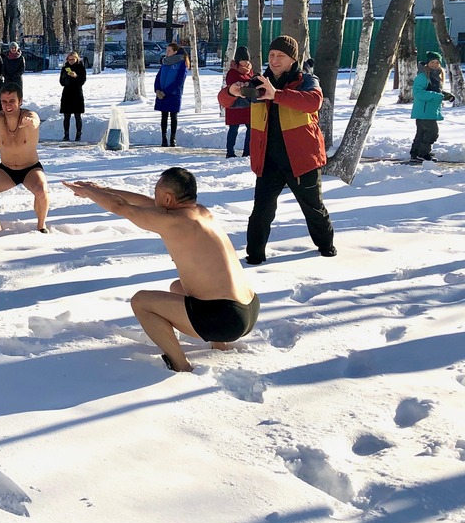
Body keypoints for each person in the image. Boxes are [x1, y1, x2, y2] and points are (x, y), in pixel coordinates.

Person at [66, 167, 259, 372]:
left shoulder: (174, 222)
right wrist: (102, 189)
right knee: (178, 287)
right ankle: (221, 345)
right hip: (248, 309)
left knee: (141, 302)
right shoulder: (201, 212)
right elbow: (145, 203)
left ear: (168, 199)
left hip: (225, 319)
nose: (153, 196)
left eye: (156, 191)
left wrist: (88, 192)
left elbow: (120, 207)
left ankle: (180, 364)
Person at [219, 34, 335, 264]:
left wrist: (277, 95)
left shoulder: (306, 80)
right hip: (268, 160)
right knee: (261, 211)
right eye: (271, 55)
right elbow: (226, 101)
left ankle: (326, 247)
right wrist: (232, 91)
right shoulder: (259, 82)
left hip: (302, 160)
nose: (274, 60)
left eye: (280, 56)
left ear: (293, 59)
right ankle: (254, 255)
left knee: (313, 208)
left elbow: (313, 102)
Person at [0, 82, 49, 232]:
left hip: (30, 168)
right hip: (6, 170)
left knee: (41, 191)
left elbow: (35, 120)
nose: (8, 105)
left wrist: (30, 123)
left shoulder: (28, 116)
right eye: (4, 101)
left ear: (20, 101)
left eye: (12, 101)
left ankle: (41, 226)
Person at [408, 51, 455, 164]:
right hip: (424, 110)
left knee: (422, 133)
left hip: (430, 110)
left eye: (437, 62)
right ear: (427, 63)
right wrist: (438, 96)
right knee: (432, 132)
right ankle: (423, 153)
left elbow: (434, 91)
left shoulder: (436, 76)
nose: (434, 64)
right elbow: (418, 93)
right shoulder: (422, 76)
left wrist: (446, 95)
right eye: (432, 62)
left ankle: (415, 154)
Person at [154, 42, 188, 147]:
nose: (167, 52)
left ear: (175, 52)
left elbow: (179, 81)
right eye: (166, 50)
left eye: (169, 50)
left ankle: (173, 138)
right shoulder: (164, 62)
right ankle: (164, 139)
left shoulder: (181, 63)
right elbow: (158, 77)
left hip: (173, 94)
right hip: (161, 94)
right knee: (163, 116)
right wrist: (157, 90)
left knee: (173, 116)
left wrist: (166, 92)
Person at [222, 46, 253, 158]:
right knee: (233, 129)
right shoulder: (232, 72)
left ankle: (247, 151)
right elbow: (232, 84)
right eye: (243, 60)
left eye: (247, 60)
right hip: (235, 105)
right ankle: (230, 152)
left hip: (247, 105)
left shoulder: (250, 71)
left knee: (250, 128)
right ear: (238, 61)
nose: (246, 63)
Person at [59, 51, 87, 141]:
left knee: (77, 115)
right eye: (69, 59)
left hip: (77, 93)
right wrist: (66, 77)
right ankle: (66, 134)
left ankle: (78, 134)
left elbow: (82, 81)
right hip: (67, 93)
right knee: (66, 116)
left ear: (77, 59)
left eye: (73, 59)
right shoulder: (65, 68)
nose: (71, 61)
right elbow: (61, 82)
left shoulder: (80, 68)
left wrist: (76, 76)